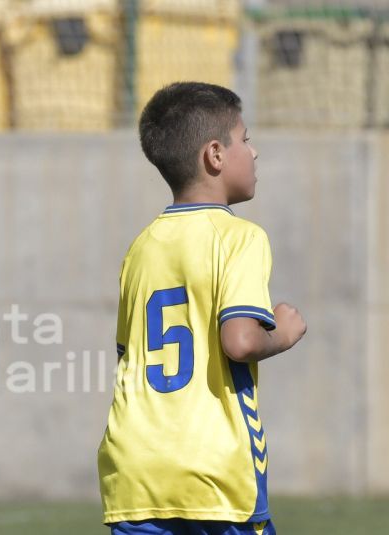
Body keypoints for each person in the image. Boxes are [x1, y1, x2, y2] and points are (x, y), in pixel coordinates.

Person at [97, 82, 307, 535]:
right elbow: (241, 341)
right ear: (215, 154)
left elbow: (127, 355)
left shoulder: (141, 247)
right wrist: (284, 333)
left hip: (135, 470)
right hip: (214, 473)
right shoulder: (240, 238)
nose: (254, 153)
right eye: (245, 139)